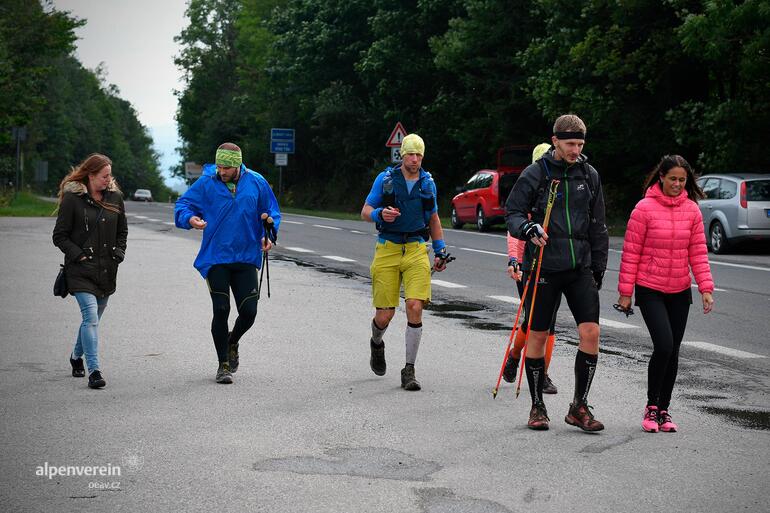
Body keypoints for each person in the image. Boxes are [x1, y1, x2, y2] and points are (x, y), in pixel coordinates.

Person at [505, 114, 609, 431]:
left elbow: (599, 226)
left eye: (580, 144)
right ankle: (537, 407)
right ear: (555, 142)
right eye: (570, 144)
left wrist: (598, 269)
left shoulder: (589, 175)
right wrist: (527, 227)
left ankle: (579, 406)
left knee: (591, 333)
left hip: (580, 267)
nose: (576, 150)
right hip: (543, 267)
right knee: (537, 336)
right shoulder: (536, 173)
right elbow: (511, 213)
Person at [617, 155, 714, 433]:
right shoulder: (643, 209)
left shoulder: (692, 210)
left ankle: (664, 410)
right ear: (661, 177)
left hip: (680, 290)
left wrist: (706, 289)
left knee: (674, 352)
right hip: (650, 289)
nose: (677, 184)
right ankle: (650, 406)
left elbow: (698, 252)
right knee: (664, 346)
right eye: (672, 178)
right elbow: (631, 253)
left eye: (682, 180)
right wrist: (626, 293)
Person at [175, 142, 280, 384]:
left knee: (249, 313)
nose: (221, 172)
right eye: (219, 166)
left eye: (227, 168)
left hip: (245, 256)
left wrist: (268, 235)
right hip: (216, 257)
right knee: (221, 309)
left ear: (238, 166)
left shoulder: (257, 182)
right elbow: (183, 205)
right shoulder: (206, 183)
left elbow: (271, 212)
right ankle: (223, 364)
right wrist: (190, 218)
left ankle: (232, 341)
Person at [361, 133, 449, 391]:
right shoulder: (385, 179)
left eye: (419, 155)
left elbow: (433, 218)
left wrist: (441, 249)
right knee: (385, 315)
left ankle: (409, 370)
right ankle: (377, 342)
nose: (414, 159)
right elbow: (365, 211)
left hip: (416, 247)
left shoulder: (427, 183)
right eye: (410, 154)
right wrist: (380, 213)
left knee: (414, 305)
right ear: (402, 155)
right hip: (387, 247)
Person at [53, 153, 127, 389]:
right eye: (104, 176)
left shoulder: (115, 198)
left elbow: (122, 232)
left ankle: (76, 357)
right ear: (91, 175)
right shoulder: (72, 199)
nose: (108, 180)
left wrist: (119, 253)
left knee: (91, 321)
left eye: (110, 176)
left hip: (106, 270)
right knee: (91, 318)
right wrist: (80, 255)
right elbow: (59, 236)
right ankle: (94, 370)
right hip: (81, 270)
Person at [503, 143, 558, 394]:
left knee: (551, 322)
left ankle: (543, 374)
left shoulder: (563, 187)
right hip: (529, 264)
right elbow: (515, 228)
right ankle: (515, 354)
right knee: (535, 319)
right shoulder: (530, 186)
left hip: (556, 263)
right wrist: (513, 260)